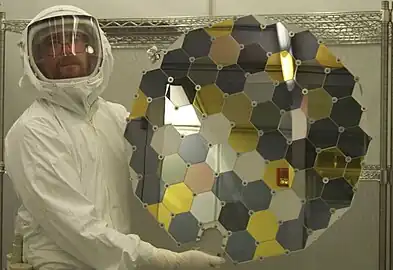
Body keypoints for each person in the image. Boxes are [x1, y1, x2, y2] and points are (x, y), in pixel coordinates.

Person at [4, 5, 226, 270]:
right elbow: (77, 227)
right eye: (52, 44)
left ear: (98, 49)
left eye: (75, 40)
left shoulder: (115, 117)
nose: (66, 51)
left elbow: (171, 158)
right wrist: (170, 262)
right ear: (34, 59)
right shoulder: (32, 132)